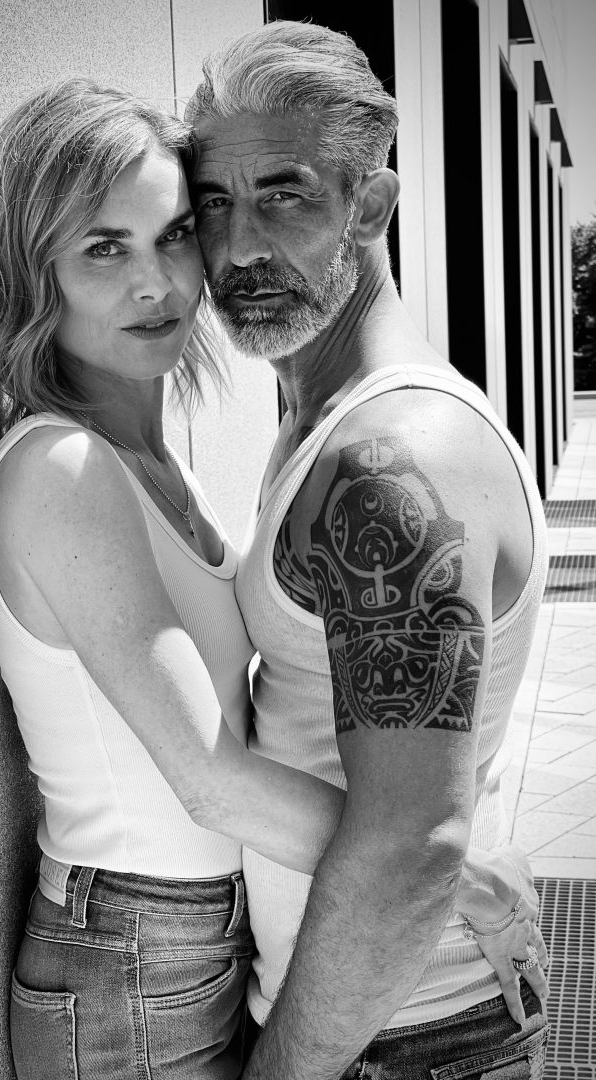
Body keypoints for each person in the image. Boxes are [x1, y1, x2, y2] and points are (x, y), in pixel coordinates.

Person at [0, 78, 544, 1080]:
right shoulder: (61, 468)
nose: (162, 282)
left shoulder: (157, 461)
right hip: (135, 954)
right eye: (104, 249)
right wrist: (453, 877)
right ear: (32, 271)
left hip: (202, 948)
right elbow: (208, 777)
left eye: (173, 234)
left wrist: (425, 858)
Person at [184, 19, 552, 1080]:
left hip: (402, 1041)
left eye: (285, 196)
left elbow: (408, 845)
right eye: (213, 205)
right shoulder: (324, 422)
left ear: (372, 206)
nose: (239, 249)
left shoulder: (390, 462)